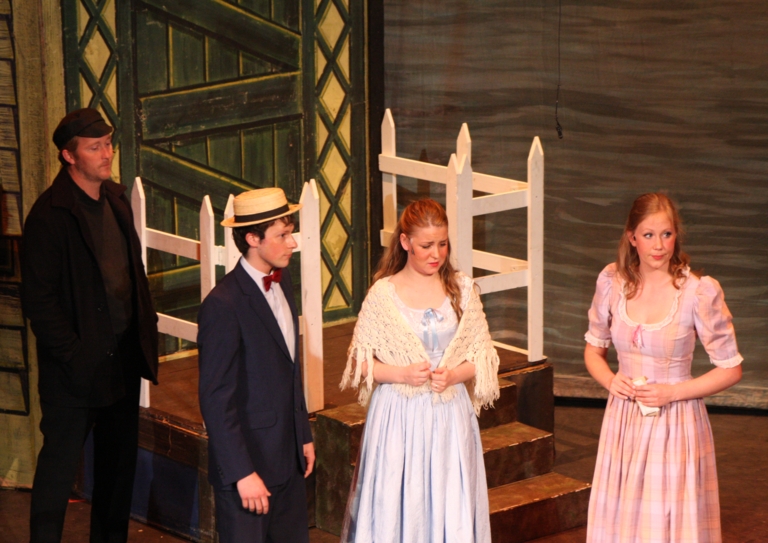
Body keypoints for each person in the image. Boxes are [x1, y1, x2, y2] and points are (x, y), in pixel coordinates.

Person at [21, 108, 159, 542]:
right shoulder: (49, 216)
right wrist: (75, 355)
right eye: (95, 147)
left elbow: (131, 273)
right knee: (58, 471)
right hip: (75, 372)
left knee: (118, 472)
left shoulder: (116, 200)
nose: (106, 154)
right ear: (69, 155)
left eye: (108, 144)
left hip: (122, 360)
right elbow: (39, 301)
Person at [584, 193, 743, 542]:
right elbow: (593, 351)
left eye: (666, 234)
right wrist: (611, 381)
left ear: (676, 236)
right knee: (623, 518)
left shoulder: (697, 292)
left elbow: (730, 369)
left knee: (667, 520)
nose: (659, 246)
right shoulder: (612, 282)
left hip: (676, 421)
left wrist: (671, 393)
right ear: (632, 237)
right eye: (649, 235)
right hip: (623, 420)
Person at [340, 199, 499, 543]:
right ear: (405, 242)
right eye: (426, 246)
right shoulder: (384, 294)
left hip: (448, 412)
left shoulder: (462, 289)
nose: (436, 254)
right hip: (399, 414)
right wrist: (401, 374)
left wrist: (454, 375)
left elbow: (482, 355)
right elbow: (360, 363)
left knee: (448, 495)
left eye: (442, 244)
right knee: (401, 497)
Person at [197, 187, 315, 543]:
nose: (292, 243)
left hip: (287, 459)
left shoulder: (284, 279)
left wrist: (303, 435)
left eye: (290, 232)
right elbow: (216, 398)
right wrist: (242, 473)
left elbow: (289, 370)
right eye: (282, 235)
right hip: (249, 470)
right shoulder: (223, 304)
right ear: (252, 239)